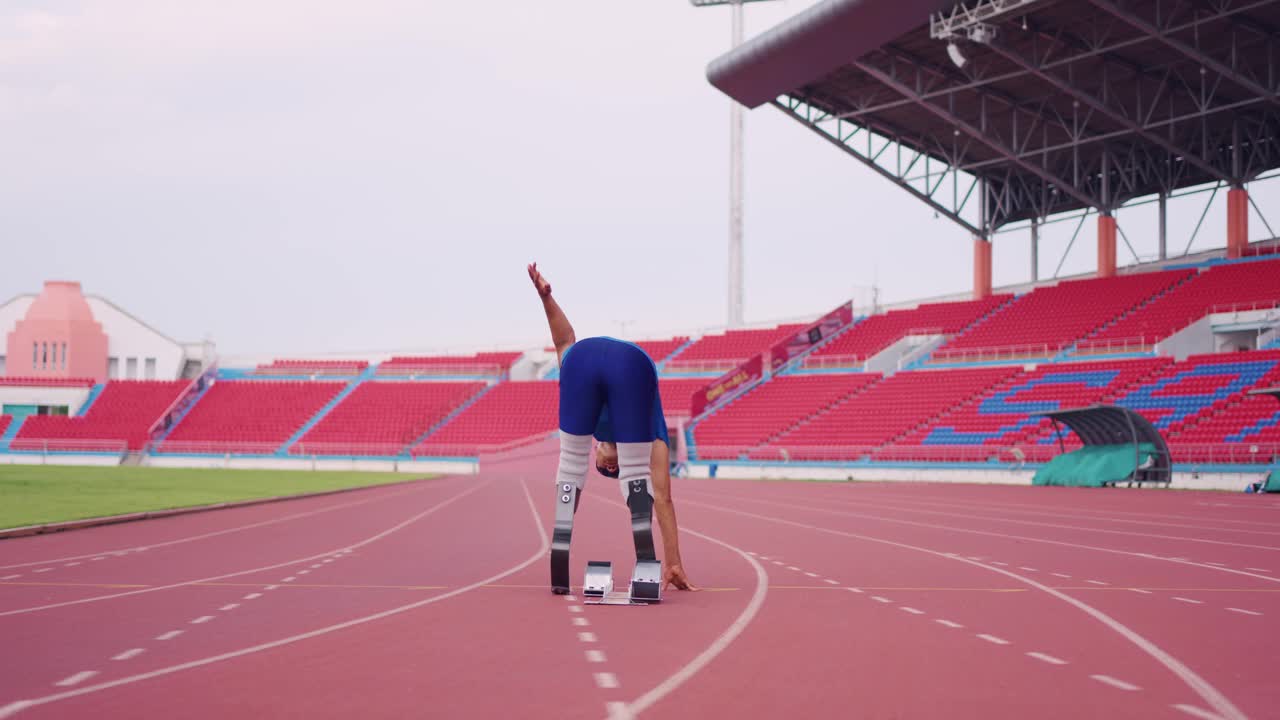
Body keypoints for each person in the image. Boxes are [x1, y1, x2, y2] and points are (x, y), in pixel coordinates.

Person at [529, 262, 697, 593]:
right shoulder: (653, 428)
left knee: (572, 460)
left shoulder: (602, 424)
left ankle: (565, 541)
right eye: (612, 469)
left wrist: (546, 298)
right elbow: (662, 497)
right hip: (632, 364)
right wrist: (547, 296)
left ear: (599, 451)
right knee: (636, 469)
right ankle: (642, 559)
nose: (609, 466)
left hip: (591, 357)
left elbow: (565, 341)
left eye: (606, 469)